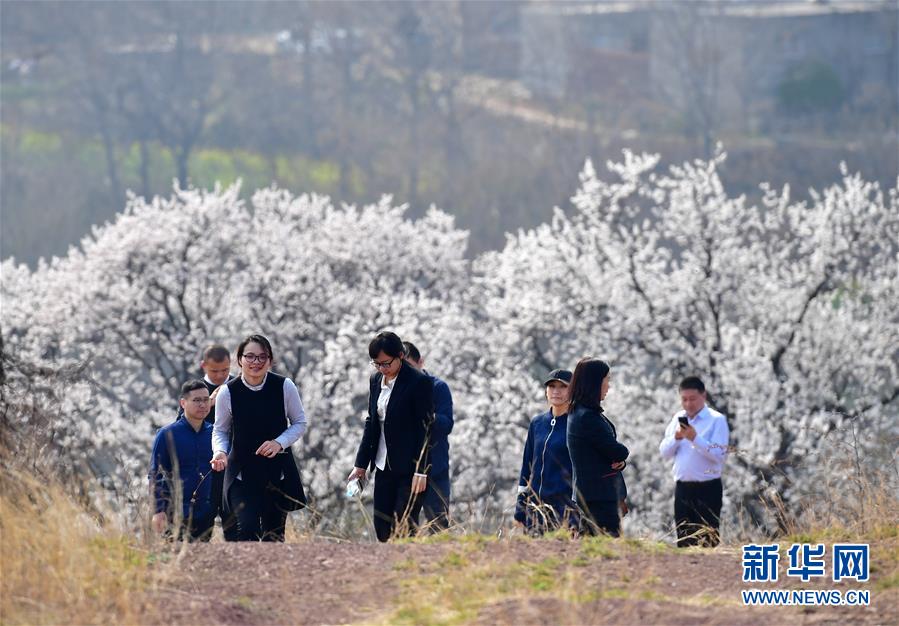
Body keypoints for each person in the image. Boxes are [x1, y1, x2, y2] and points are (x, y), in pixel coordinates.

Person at [210, 334, 307, 541]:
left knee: (274, 534)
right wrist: (219, 452)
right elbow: (220, 430)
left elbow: (299, 423)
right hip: (241, 473)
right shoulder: (227, 392)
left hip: (276, 471)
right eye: (250, 357)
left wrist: (279, 443)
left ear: (270, 360)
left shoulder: (284, 386)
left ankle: (274, 573)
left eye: (262, 357)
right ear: (240, 360)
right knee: (247, 528)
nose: (256, 362)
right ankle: (245, 573)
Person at [347, 331, 434, 542]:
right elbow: (372, 423)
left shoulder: (418, 382)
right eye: (377, 364)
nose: (382, 369)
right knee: (382, 527)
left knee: (402, 523)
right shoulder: (376, 380)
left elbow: (426, 428)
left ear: (400, 356)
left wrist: (421, 471)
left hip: (410, 468)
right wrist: (360, 464)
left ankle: (407, 568)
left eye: (386, 363)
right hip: (383, 464)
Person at [658, 376, 729, 547]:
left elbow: (719, 454)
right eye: (684, 399)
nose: (688, 404)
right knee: (684, 540)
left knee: (708, 539)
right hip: (683, 488)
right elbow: (664, 452)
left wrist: (695, 438)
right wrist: (676, 438)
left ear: (703, 396)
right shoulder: (678, 419)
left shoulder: (716, 420)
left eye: (692, 399)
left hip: (708, 488)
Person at [566, 358, 629, 537]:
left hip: (589, 493)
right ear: (595, 383)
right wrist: (622, 456)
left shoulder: (578, 412)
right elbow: (618, 451)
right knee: (606, 546)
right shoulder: (588, 418)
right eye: (606, 379)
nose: (608, 386)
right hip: (598, 495)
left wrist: (620, 462)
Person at [149, 380, 219, 541]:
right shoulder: (167, 434)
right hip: (174, 511)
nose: (203, 405)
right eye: (196, 400)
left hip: (206, 511)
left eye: (206, 399)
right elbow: (156, 474)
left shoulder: (215, 434)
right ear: (183, 403)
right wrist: (158, 510)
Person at [514, 369, 579, 533]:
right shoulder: (537, 423)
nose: (556, 391)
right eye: (551, 386)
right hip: (535, 510)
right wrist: (520, 508)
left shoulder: (578, 424)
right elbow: (526, 468)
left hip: (566, 512)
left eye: (562, 387)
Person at [402, 340, 453, 531]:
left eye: (410, 366)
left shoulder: (438, 388)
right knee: (404, 529)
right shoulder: (397, 391)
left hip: (435, 469)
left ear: (420, 362)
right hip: (405, 471)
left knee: (438, 527)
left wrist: (426, 416)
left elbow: (447, 424)